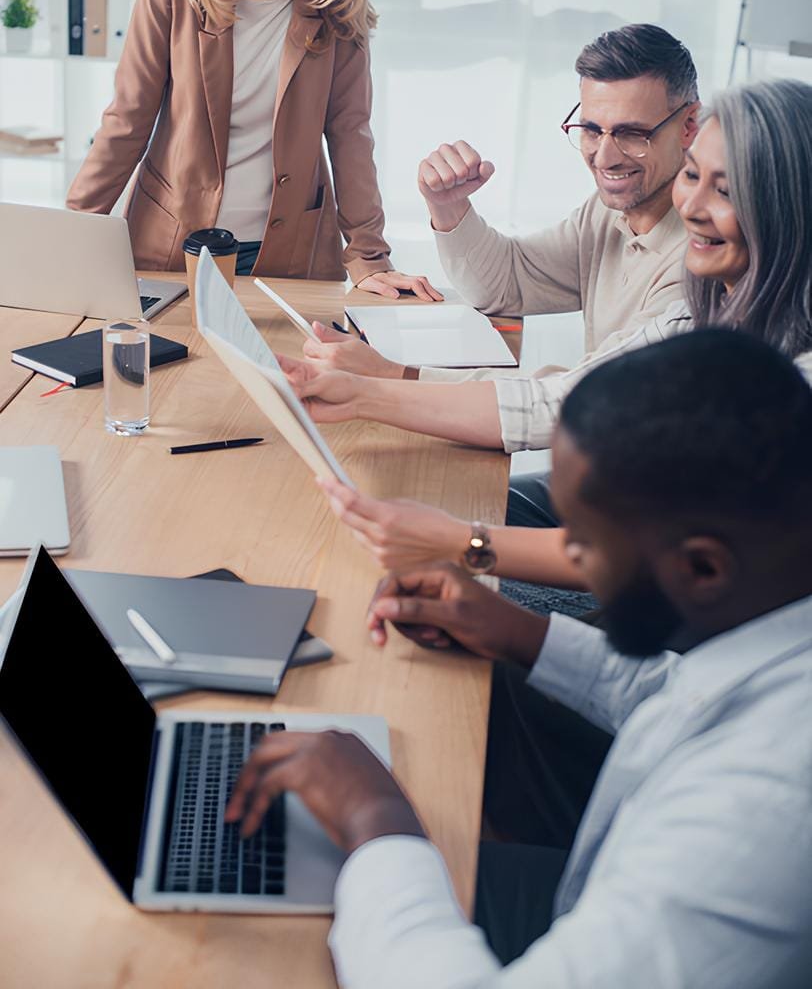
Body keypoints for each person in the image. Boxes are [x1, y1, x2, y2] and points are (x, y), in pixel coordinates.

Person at [226, 329, 812, 988]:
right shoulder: (774, 627)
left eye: (583, 545)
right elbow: (685, 693)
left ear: (702, 568)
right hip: (603, 878)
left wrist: (377, 820)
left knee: (283, 908)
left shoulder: (760, 813)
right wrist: (521, 633)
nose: (569, 564)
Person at [280, 78, 812, 612]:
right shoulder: (704, 295)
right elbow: (548, 353)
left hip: (669, 602)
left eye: (725, 190)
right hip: (624, 518)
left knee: (393, 580)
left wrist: (460, 540)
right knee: (395, 522)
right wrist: (366, 388)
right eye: (693, 176)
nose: (693, 205)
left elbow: (561, 417)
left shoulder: (767, 365)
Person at [66, 0, 439, 298]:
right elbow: (128, 119)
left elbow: (349, 132)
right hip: (173, 248)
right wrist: (73, 236)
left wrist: (369, 256)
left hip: (289, 255)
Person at [301, 21, 698, 377]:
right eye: (592, 130)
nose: (605, 157)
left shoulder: (698, 261)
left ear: (689, 125)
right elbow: (508, 283)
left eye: (633, 134)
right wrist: (449, 207)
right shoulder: (611, 212)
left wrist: (395, 375)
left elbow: (574, 397)